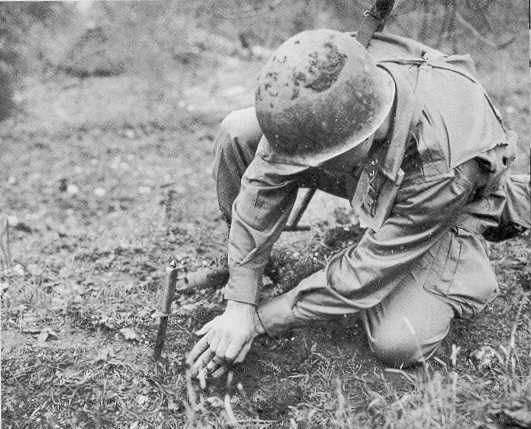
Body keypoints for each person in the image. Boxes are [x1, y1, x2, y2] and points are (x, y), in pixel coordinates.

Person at [186, 29, 530, 379]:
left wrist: (260, 319)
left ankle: (487, 228)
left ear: (364, 136)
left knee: (399, 341)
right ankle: (244, 265)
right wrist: (241, 301)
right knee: (238, 130)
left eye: (314, 158)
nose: (302, 167)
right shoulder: (343, 67)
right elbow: (265, 177)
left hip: (447, 194)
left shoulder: (443, 166)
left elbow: (368, 270)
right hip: (375, 166)